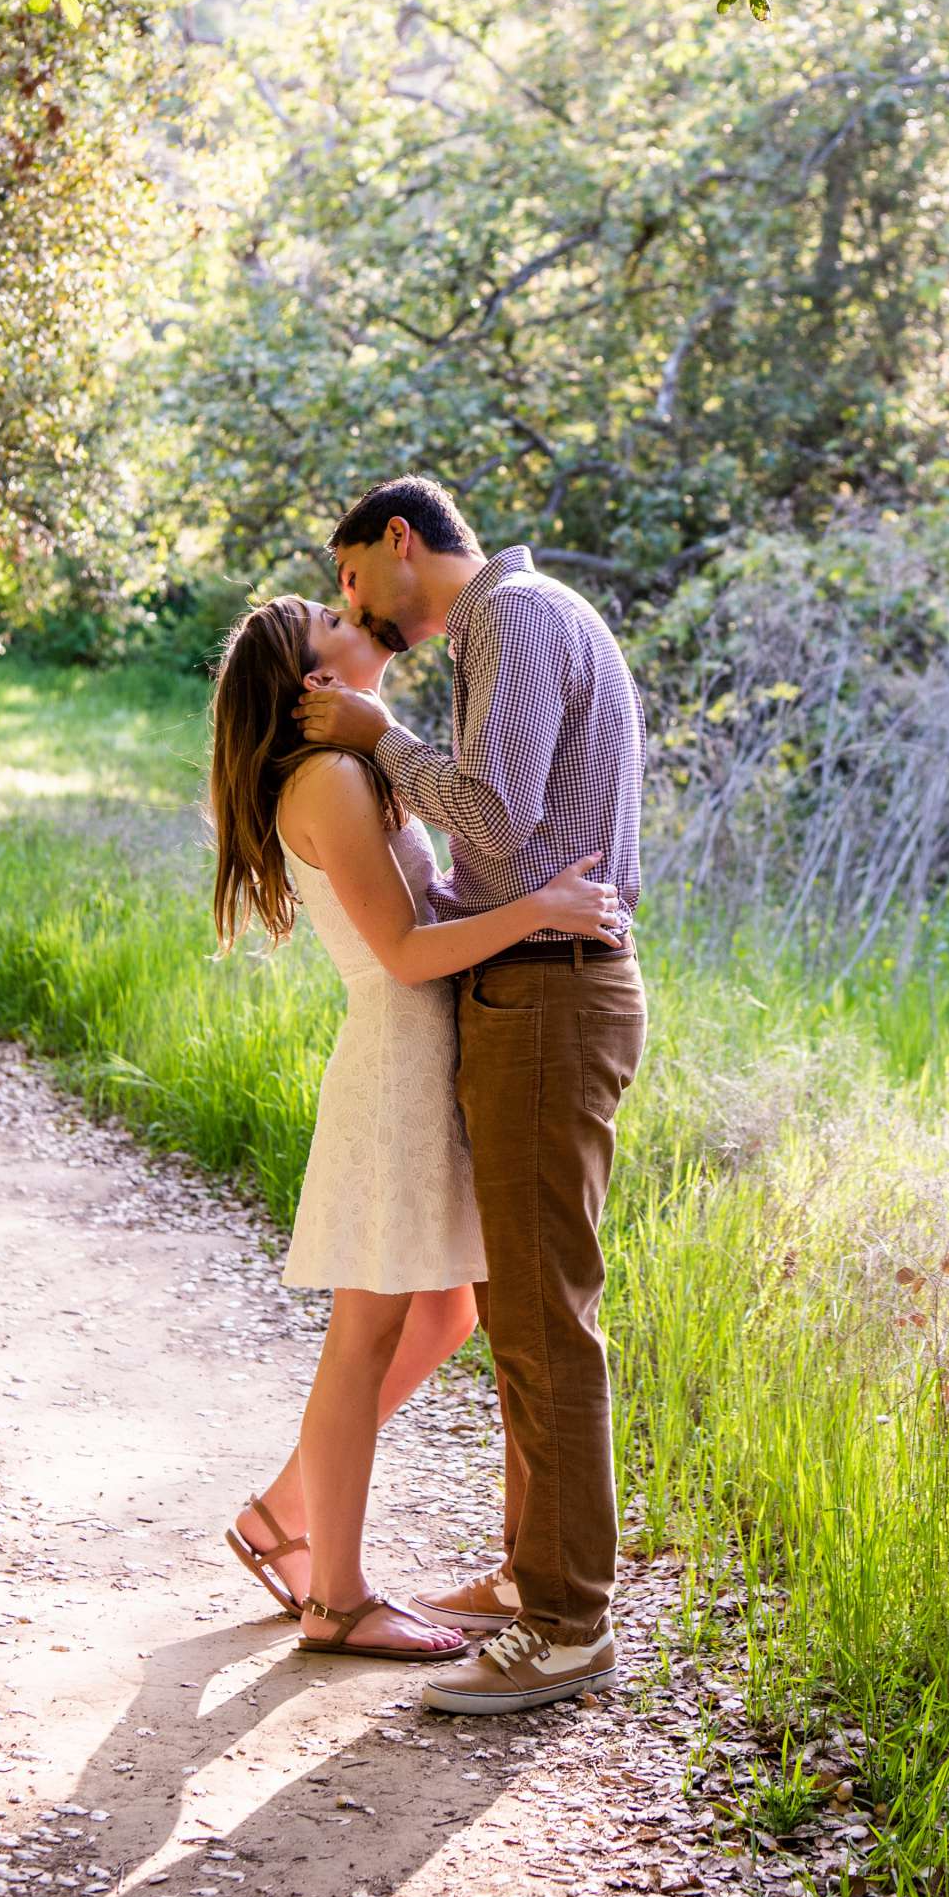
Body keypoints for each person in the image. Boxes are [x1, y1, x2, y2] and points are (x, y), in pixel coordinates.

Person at [209, 591, 624, 1664]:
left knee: (442, 1318)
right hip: (397, 1062)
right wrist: (540, 912)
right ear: (315, 680)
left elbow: (431, 909)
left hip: (424, 1056)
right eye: (331, 616)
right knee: (368, 1334)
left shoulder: (361, 769)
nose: (356, 612)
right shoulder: (335, 779)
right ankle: (335, 1598)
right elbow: (404, 952)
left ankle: (281, 1513)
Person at [295, 475, 649, 1714]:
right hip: (539, 984)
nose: (351, 606)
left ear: (400, 543)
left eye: (347, 577)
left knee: (546, 1316)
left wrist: (375, 741)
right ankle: (529, 1574)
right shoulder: (525, 618)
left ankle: (566, 1626)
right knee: (520, 1307)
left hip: (554, 994)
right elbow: (510, 842)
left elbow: (496, 824)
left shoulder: (510, 616)